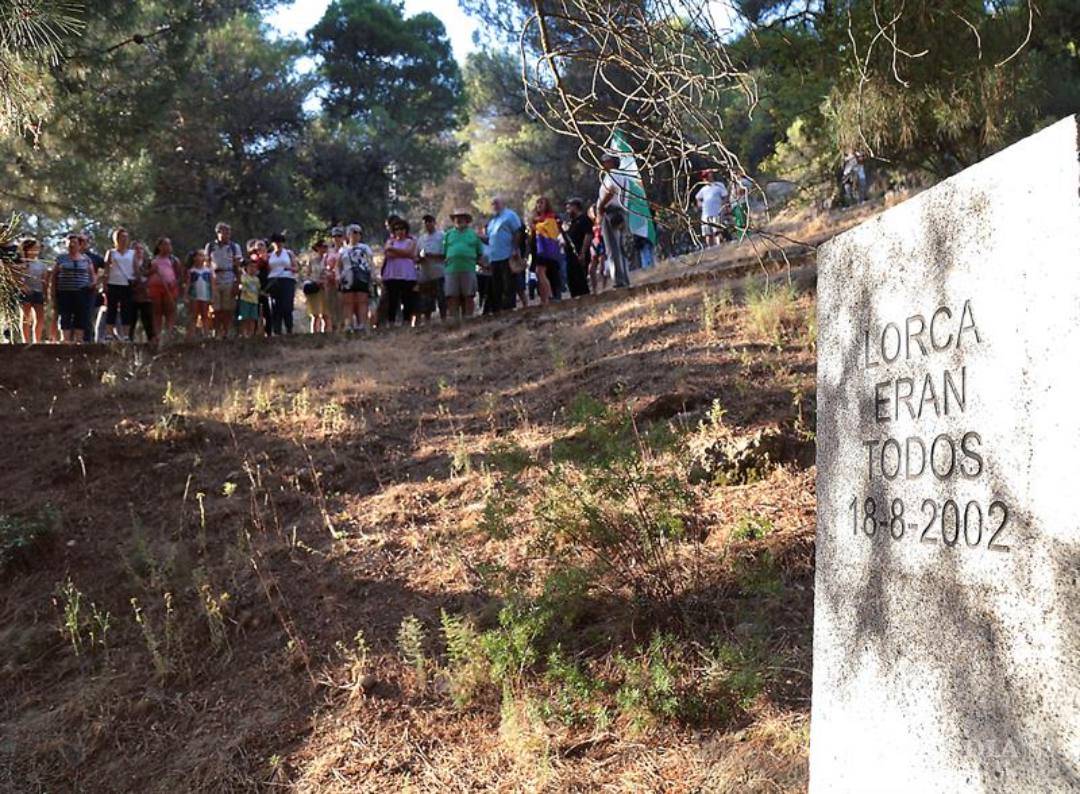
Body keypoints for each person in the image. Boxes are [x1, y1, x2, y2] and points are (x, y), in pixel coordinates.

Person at [481, 197, 523, 314]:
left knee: (508, 284)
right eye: (492, 204)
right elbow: (490, 239)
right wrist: (478, 237)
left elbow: (518, 232)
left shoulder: (510, 215)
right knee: (496, 285)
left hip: (507, 255)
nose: (494, 205)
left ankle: (509, 309)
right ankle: (498, 310)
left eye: (496, 202)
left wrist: (514, 249)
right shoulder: (492, 221)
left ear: (503, 203)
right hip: (494, 257)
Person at [595, 152, 631, 288]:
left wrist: (601, 206)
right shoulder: (623, 176)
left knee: (613, 247)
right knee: (622, 247)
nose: (603, 164)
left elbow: (611, 191)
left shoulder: (612, 175)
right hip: (622, 211)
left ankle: (618, 280)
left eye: (606, 161)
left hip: (611, 212)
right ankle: (625, 279)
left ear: (612, 162)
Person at [443, 209, 483, 325]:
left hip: (468, 268)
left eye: (462, 217)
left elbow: (479, 252)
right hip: (451, 269)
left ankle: (468, 318)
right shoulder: (448, 235)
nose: (459, 220)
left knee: (468, 294)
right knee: (452, 295)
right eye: (456, 218)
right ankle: (455, 320)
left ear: (467, 220)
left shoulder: (473, 234)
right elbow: (444, 252)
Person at [54, 232, 95, 343]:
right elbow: (54, 275)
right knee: (65, 315)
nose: (72, 245)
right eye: (69, 242)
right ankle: (65, 339)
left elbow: (92, 275)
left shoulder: (86, 259)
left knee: (80, 315)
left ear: (79, 245)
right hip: (64, 292)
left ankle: (79, 340)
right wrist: (53, 291)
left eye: (74, 242)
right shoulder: (61, 258)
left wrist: (92, 284)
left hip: (82, 292)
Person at [205, 222, 242, 338]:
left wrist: (238, 282)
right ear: (218, 233)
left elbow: (237, 266)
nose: (227, 235)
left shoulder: (234, 247)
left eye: (229, 233)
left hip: (229, 277)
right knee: (216, 308)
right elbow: (206, 263)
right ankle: (216, 331)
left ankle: (225, 331)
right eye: (225, 232)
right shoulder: (210, 246)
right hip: (214, 279)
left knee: (228, 308)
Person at [381, 218, 419, 327]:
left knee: (407, 299)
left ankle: (407, 321)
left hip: (407, 275)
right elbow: (388, 254)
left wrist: (395, 251)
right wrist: (405, 255)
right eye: (397, 229)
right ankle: (391, 322)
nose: (400, 231)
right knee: (393, 299)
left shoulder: (410, 241)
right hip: (392, 274)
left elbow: (409, 251)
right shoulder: (390, 241)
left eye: (402, 228)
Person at [104, 228, 137, 340]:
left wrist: (137, 280)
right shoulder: (111, 252)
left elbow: (135, 268)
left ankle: (126, 335)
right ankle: (109, 333)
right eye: (121, 237)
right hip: (113, 283)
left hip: (127, 284)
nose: (124, 240)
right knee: (111, 309)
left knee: (126, 310)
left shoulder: (132, 253)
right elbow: (107, 269)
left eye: (125, 237)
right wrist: (104, 284)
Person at [338, 224, 373, 332]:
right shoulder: (343, 250)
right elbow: (338, 265)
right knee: (348, 301)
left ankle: (361, 324)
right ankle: (349, 324)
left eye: (358, 233)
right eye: (354, 232)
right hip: (348, 278)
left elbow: (370, 262)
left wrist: (373, 275)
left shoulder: (365, 248)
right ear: (348, 235)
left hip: (362, 276)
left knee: (362, 300)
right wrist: (338, 276)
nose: (356, 235)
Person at [529, 197, 562, 306]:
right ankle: (544, 300)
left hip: (549, 250)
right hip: (538, 250)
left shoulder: (551, 218)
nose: (539, 205)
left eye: (541, 203)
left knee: (542, 273)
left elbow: (551, 232)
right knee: (539, 274)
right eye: (537, 203)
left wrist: (536, 226)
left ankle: (551, 296)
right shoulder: (536, 219)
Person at [148, 237, 180, 342]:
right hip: (156, 288)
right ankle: (157, 335)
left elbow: (179, 274)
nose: (168, 247)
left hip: (170, 287)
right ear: (159, 246)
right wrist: (152, 271)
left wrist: (175, 284)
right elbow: (146, 273)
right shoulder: (153, 260)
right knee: (157, 312)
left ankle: (168, 334)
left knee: (170, 311)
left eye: (169, 244)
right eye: (165, 244)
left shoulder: (174, 260)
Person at [416, 214, 446, 323]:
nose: (428, 224)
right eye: (425, 222)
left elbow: (446, 254)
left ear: (434, 222)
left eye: (430, 221)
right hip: (425, 274)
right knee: (426, 300)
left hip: (439, 272)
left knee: (442, 298)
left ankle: (444, 320)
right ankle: (427, 322)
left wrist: (431, 255)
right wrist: (420, 259)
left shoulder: (442, 236)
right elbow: (416, 257)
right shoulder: (421, 239)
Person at [266, 232, 298, 335]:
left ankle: (289, 329)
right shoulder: (269, 255)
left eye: (280, 242)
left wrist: (289, 268)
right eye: (276, 242)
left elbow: (296, 268)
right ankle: (277, 330)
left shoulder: (288, 253)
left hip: (287, 279)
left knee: (287, 306)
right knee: (275, 306)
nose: (278, 244)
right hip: (273, 280)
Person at [17, 239, 49, 343]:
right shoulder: (22, 263)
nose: (37, 250)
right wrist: (23, 286)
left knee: (40, 318)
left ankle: (37, 341)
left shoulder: (42, 264)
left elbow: (44, 281)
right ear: (28, 249)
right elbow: (18, 277)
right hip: (26, 292)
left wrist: (46, 294)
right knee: (26, 316)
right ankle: (25, 341)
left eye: (38, 248)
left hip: (38, 292)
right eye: (35, 248)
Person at [561, 199, 592, 298]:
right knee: (572, 281)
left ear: (575, 207)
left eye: (569, 208)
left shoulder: (584, 219)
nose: (567, 211)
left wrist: (583, 252)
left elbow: (588, 235)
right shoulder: (572, 222)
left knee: (580, 281)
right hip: (570, 256)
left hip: (579, 254)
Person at [304, 240, 331, 334]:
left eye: (326, 247)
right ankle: (314, 334)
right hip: (315, 288)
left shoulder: (329, 259)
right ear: (318, 248)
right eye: (323, 246)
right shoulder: (312, 260)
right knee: (315, 314)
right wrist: (315, 281)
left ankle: (326, 334)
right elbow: (307, 274)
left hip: (326, 288)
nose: (325, 249)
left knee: (326, 314)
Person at [185, 249, 214, 338]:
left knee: (205, 315)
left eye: (202, 255)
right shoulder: (191, 271)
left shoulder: (208, 271)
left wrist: (212, 296)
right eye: (199, 255)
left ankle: (206, 334)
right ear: (194, 258)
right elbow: (188, 283)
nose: (201, 258)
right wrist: (186, 295)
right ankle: (191, 334)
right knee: (193, 315)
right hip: (194, 295)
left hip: (205, 295)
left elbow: (212, 284)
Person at [130, 241, 154, 343]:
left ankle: (152, 343)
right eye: (136, 249)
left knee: (149, 321)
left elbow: (152, 277)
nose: (139, 251)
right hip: (132, 296)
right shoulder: (129, 263)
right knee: (131, 321)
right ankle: (129, 343)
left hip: (146, 296)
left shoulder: (149, 263)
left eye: (141, 248)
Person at [697, 170, 729, 248]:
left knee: (717, 231)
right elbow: (698, 198)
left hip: (717, 212)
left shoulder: (719, 185)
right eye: (704, 177)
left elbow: (725, 196)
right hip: (706, 214)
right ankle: (710, 249)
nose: (705, 179)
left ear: (711, 175)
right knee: (707, 233)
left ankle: (719, 247)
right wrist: (700, 205)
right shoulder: (703, 189)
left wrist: (724, 206)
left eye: (706, 176)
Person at [324, 226, 345, 331]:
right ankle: (333, 327)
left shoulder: (346, 250)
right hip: (330, 283)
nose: (337, 238)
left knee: (342, 305)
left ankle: (343, 327)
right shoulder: (328, 252)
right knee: (331, 306)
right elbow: (324, 266)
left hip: (343, 282)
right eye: (334, 236)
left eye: (339, 236)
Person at [238, 257, 262, 338]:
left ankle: (251, 334)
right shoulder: (243, 277)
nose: (252, 269)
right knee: (244, 317)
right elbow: (241, 286)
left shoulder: (257, 279)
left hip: (254, 301)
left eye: (254, 267)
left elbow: (258, 290)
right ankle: (244, 333)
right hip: (245, 300)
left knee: (253, 318)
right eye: (250, 267)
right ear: (246, 268)